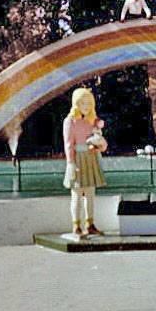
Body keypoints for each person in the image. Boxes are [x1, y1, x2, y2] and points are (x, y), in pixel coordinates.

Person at [63, 87, 107, 238]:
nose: (86, 106)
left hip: (90, 158)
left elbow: (100, 140)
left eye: (89, 103)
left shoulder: (92, 120)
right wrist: (70, 163)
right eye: (83, 103)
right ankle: (76, 226)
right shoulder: (70, 121)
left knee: (90, 194)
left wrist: (99, 146)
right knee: (76, 194)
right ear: (76, 104)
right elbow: (68, 144)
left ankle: (90, 224)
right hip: (77, 160)